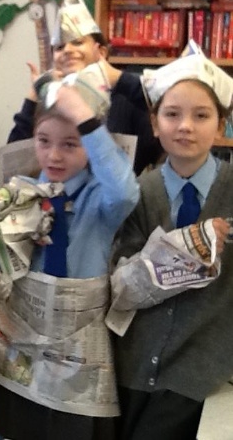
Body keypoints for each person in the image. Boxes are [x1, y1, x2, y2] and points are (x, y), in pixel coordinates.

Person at [0, 82, 140, 440]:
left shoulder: (100, 200)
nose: (54, 155)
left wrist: (87, 121)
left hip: (77, 354)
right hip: (24, 341)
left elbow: (126, 193)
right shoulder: (22, 192)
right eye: (44, 141)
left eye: (71, 144)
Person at [109, 53, 233, 440]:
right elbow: (121, 286)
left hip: (203, 370)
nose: (185, 126)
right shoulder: (138, 194)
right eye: (172, 114)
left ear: (221, 124)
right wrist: (187, 249)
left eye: (201, 115)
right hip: (132, 365)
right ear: (154, 123)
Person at [8, 33, 163, 176]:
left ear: (101, 52)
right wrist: (33, 98)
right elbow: (12, 164)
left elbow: (160, 138)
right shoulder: (50, 98)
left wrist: (120, 78)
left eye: (77, 42)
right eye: (60, 47)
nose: (67, 50)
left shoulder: (126, 99)